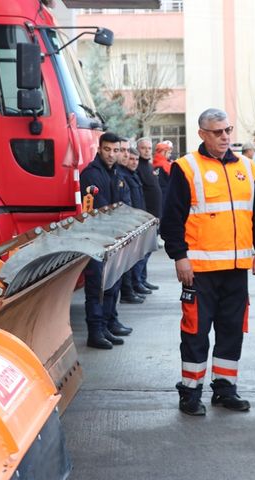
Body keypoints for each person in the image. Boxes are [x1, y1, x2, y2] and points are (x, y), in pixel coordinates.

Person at [160, 108, 255, 416]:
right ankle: (191, 392)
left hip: (236, 270)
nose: (225, 136)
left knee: (232, 329)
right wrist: (179, 256)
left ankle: (224, 389)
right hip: (199, 271)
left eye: (228, 130)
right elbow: (171, 219)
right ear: (202, 134)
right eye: (218, 132)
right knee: (195, 332)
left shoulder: (248, 168)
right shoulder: (186, 168)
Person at [79, 132, 134, 349]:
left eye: (116, 150)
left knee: (113, 283)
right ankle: (96, 331)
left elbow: (126, 202)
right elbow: (100, 208)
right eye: (108, 150)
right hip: (97, 240)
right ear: (99, 149)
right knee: (97, 287)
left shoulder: (117, 174)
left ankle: (109, 323)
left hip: (116, 238)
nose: (112, 154)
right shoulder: (91, 174)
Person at [117, 140, 147, 305]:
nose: (128, 157)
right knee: (127, 262)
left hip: (135, 221)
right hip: (126, 224)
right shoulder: (121, 175)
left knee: (133, 259)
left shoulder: (131, 175)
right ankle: (128, 291)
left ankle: (132, 288)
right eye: (123, 151)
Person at [134, 137, 161, 291]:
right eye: (143, 148)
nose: (146, 151)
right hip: (146, 217)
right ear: (138, 149)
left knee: (148, 251)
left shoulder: (149, 166)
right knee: (142, 252)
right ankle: (137, 282)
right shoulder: (138, 167)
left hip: (155, 216)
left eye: (149, 148)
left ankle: (142, 279)